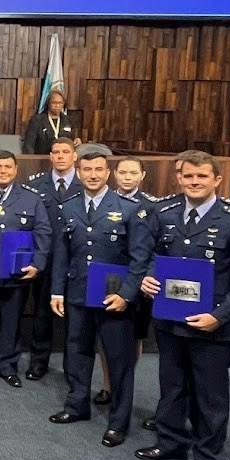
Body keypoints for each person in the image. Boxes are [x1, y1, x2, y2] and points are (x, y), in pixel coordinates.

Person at [135, 151, 230, 460]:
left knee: (210, 397)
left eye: (201, 176)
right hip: (169, 319)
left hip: (212, 325)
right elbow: (154, 253)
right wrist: (149, 277)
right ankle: (170, 443)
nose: (194, 182)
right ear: (179, 177)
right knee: (172, 387)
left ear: (217, 179)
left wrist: (219, 317)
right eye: (188, 176)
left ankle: (209, 457)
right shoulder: (164, 212)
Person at [48, 150, 149, 448]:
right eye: (87, 170)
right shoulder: (68, 207)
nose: (92, 175)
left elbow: (140, 259)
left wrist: (127, 295)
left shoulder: (130, 209)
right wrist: (57, 291)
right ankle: (77, 405)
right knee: (77, 352)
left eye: (98, 170)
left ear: (108, 173)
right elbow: (62, 253)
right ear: (79, 173)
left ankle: (118, 422)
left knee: (119, 360)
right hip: (78, 292)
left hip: (114, 298)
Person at [0, 150, 51, 387]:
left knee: (11, 323)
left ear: (16, 170)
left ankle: (7, 366)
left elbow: (43, 232)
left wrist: (37, 264)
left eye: (7, 167)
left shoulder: (31, 198)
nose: (3, 171)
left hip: (16, 274)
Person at [94, 156, 163, 407]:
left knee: (134, 336)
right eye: (122, 172)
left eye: (133, 173)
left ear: (142, 176)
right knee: (106, 336)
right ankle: (107, 385)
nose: (127, 177)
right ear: (114, 174)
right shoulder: (104, 201)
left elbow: (156, 247)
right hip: (109, 280)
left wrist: (148, 275)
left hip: (139, 282)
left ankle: (124, 384)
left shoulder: (153, 207)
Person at [24, 137, 81, 380]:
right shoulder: (36, 185)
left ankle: (73, 368)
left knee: (75, 320)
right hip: (45, 260)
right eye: (56, 152)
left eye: (65, 152)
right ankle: (38, 362)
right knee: (41, 315)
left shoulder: (85, 184)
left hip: (76, 262)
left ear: (74, 156)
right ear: (50, 156)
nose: (60, 156)